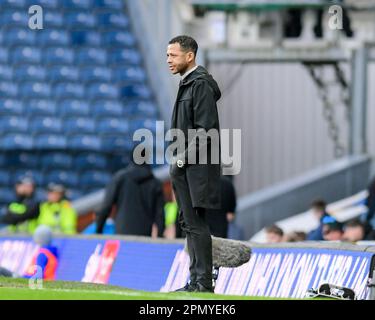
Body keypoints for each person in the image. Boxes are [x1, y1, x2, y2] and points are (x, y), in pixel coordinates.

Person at [167, 35, 222, 293]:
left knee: (196, 223)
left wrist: (181, 160)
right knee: (189, 223)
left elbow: (205, 131)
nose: (168, 60)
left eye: (173, 55)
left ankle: (203, 283)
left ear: (190, 56)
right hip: (187, 166)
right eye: (167, 55)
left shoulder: (199, 85)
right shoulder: (189, 83)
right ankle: (195, 281)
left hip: (197, 167)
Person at [95, 161, 165, 237]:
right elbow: (160, 216)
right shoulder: (156, 183)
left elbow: (106, 206)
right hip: (144, 237)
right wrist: (159, 237)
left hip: (122, 236)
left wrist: (98, 231)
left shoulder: (120, 178)